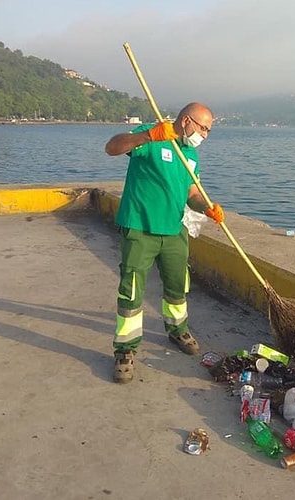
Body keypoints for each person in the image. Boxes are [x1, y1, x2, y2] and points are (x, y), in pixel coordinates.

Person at [105, 102, 224, 384]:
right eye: (203, 128)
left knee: (177, 285)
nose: (205, 135)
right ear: (186, 121)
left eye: (209, 130)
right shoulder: (151, 134)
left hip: (174, 230)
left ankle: (177, 330)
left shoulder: (190, 155)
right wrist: (149, 136)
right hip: (140, 227)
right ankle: (125, 349)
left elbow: (191, 191)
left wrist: (205, 206)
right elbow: (112, 147)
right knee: (132, 290)